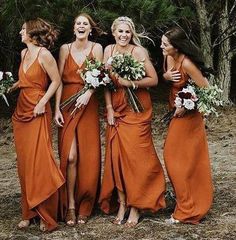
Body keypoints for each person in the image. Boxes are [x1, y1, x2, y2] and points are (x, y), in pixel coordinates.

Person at [99, 16, 166, 228]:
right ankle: (122, 203)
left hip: (137, 109)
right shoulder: (108, 51)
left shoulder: (138, 51)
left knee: (136, 158)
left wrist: (131, 82)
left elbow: (153, 80)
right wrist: (109, 109)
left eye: (127, 32)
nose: (123, 35)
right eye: (120, 31)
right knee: (117, 157)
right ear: (113, 32)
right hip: (117, 108)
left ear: (132, 33)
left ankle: (136, 206)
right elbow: (105, 82)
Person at [12, 18, 65, 232]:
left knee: (39, 161)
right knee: (24, 163)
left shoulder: (44, 55)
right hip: (21, 110)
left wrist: (43, 102)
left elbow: (56, 81)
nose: (20, 31)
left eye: (23, 29)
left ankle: (46, 213)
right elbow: (27, 79)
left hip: (38, 110)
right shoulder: (24, 53)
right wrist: (13, 85)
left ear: (32, 33)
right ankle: (29, 211)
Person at [161, 27, 213, 224]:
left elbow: (206, 90)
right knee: (176, 158)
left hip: (189, 116)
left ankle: (188, 209)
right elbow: (167, 75)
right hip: (176, 113)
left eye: (165, 44)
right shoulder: (168, 56)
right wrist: (166, 77)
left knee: (178, 158)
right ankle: (185, 202)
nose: (161, 46)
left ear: (176, 46)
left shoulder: (188, 64)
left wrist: (185, 104)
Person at [54, 13, 103, 226]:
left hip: (88, 104)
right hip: (66, 104)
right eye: (78, 24)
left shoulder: (97, 48)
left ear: (90, 29)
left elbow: (100, 75)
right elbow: (58, 81)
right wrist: (56, 109)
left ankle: (85, 204)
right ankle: (70, 205)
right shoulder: (65, 49)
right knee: (70, 156)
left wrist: (89, 93)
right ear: (74, 28)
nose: (81, 26)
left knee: (89, 156)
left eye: (85, 24)